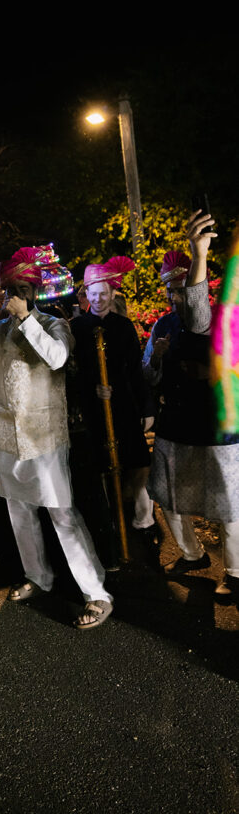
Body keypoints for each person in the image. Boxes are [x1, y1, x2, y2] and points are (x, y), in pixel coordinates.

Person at [0, 247, 112, 629]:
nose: (11, 297)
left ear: (33, 293)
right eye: (8, 290)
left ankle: (97, 593)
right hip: (8, 439)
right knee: (20, 514)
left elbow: (56, 359)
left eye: (19, 290)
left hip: (46, 439)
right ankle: (39, 576)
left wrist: (26, 321)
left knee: (62, 516)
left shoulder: (54, 324)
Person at [144, 212, 239, 588]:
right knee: (166, 494)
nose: (174, 295)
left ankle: (234, 572)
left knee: (229, 503)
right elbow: (147, 376)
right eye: (169, 289)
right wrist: (157, 358)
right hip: (178, 420)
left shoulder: (221, 318)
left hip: (217, 425)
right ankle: (192, 554)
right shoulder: (162, 326)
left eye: (181, 287)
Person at [71, 255, 155, 538]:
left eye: (103, 294)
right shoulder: (78, 327)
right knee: (103, 464)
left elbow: (134, 370)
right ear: (87, 295)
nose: (97, 300)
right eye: (92, 294)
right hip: (96, 409)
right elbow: (76, 370)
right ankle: (110, 521)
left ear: (112, 293)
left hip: (125, 405)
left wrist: (146, 408)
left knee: (137, 462)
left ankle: (144, 521)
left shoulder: (123, 326)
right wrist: (92, 390)